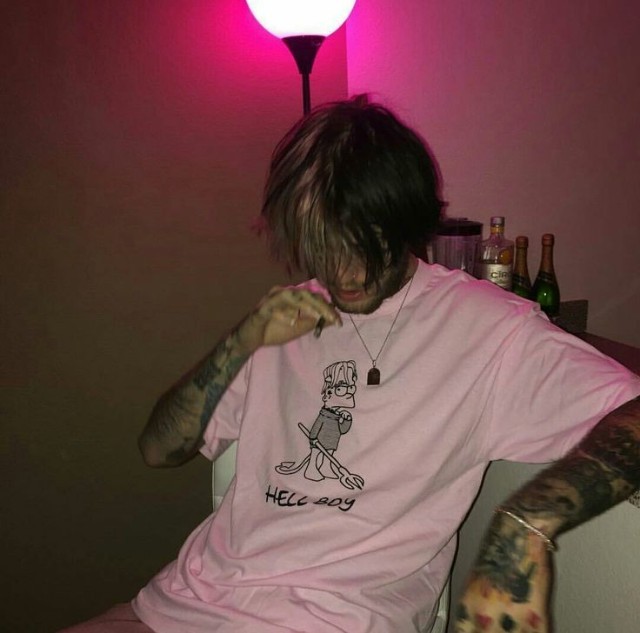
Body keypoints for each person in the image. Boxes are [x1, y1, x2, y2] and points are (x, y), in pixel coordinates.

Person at [61, 95, 640, 633]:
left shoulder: (490, 330)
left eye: (362, 242)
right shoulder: (282, 318)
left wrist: (528, 521)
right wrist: (239, 344)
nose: (342, 272)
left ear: (407, 219)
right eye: (319, 245)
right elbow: (158, 450)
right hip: (181, 606)